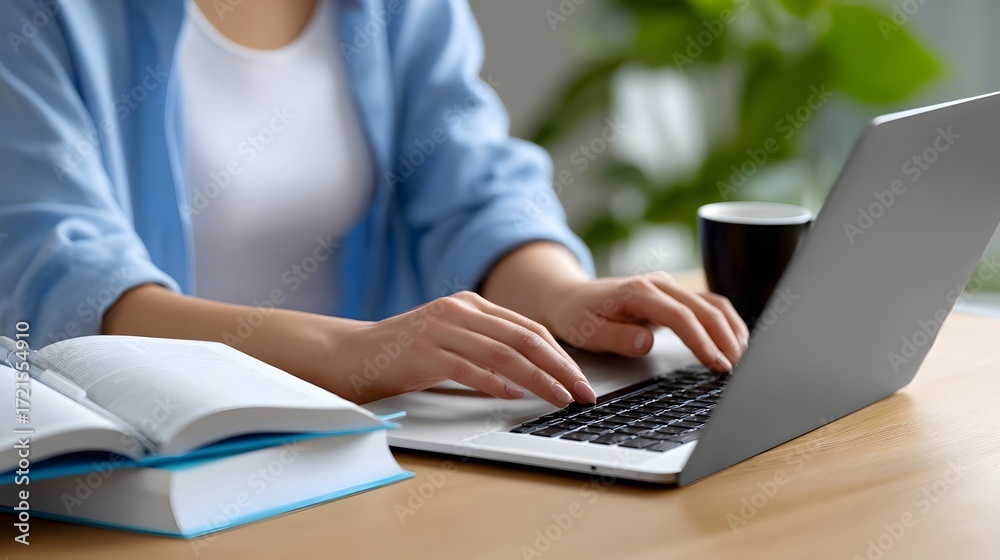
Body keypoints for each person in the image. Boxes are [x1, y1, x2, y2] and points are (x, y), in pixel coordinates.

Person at [0, 0, 747, 408]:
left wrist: (564, 295)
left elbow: (471, 180)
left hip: (373, 449)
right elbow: (59, 276)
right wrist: (346, 352)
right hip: (144, 474)